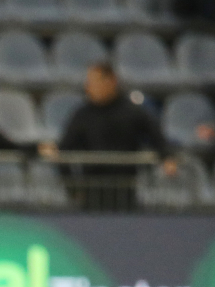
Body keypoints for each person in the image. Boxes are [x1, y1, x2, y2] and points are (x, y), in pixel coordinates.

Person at [56, 61, 175, 209]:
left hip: (126, 190)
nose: (88, 87)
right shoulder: (81, 115)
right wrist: (73, 190)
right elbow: (63, 152)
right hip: (92, 192)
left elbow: (157, 139)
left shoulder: (132, 112)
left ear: (112, 81)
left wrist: (167, 158)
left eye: (94, 82)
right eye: (88, 82)